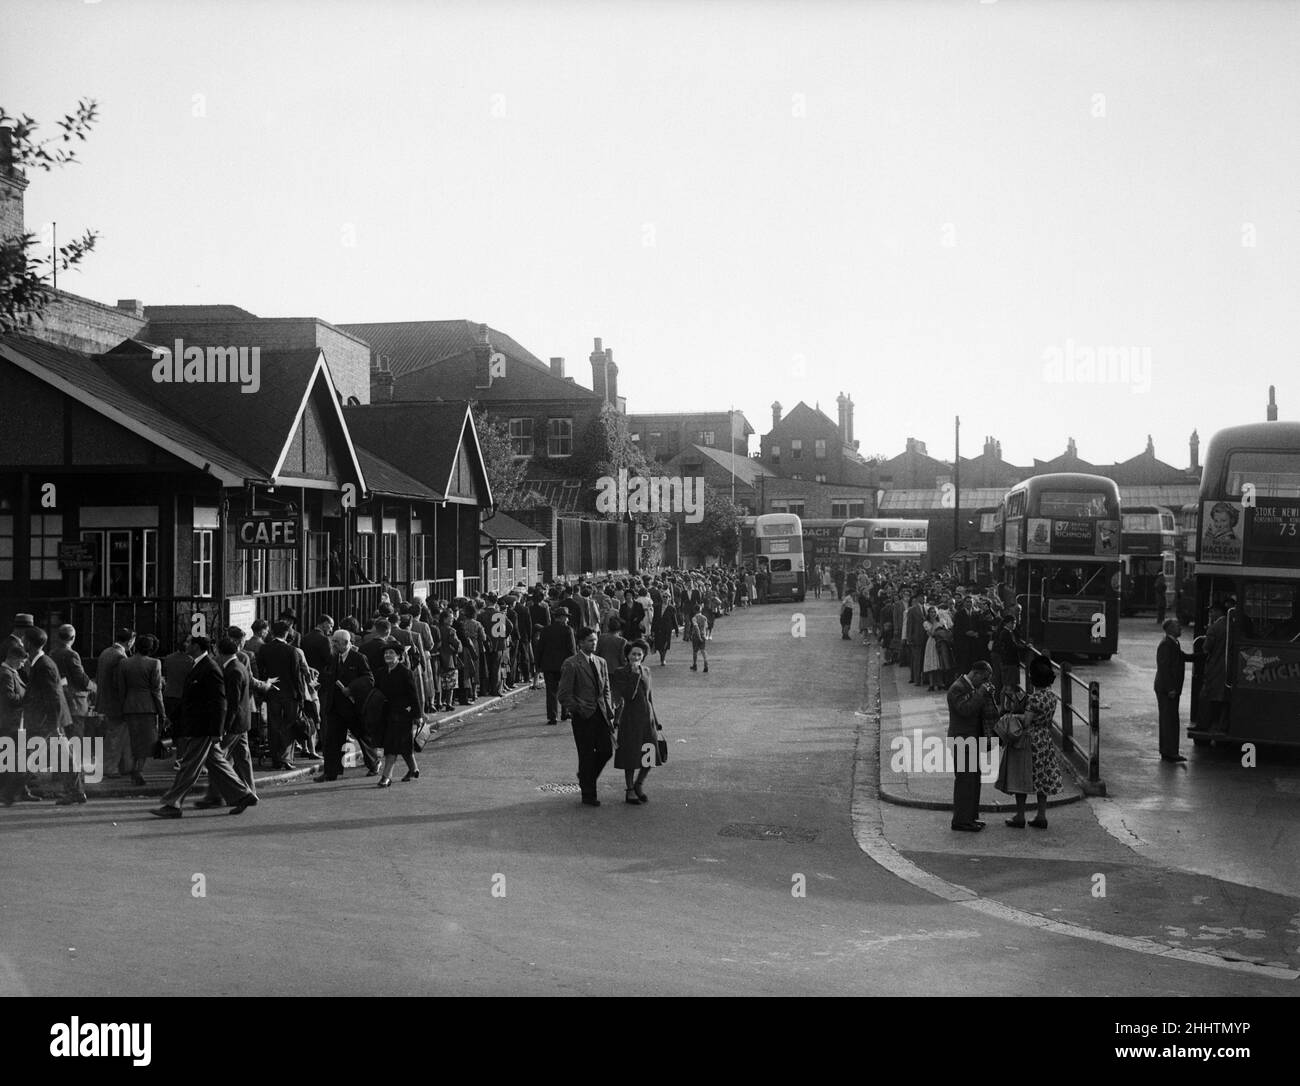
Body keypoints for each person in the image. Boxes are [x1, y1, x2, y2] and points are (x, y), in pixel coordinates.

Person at [149, 636, 258, 818]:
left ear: (197, 647)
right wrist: (173, 717)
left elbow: (220, 703)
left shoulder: (210, 668)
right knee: (216, 763)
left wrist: (217, 730)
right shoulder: (202, 665)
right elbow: (190, 698)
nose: (186, 645)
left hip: (204, 727)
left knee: (189, 766)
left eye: (190, 643)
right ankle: (242, 795)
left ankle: (173, 804)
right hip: (202, 726)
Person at [22, 628, 86, 805]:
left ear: (29, 643)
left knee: (59, 756)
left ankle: (76, 792)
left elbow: (54, 697)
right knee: (32, 754)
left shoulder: (44, 665)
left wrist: (54, 725)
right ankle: (76, 792)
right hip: (47, 720)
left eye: (24, 640)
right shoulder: (40, 663)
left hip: (49, 721)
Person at [558, 626, 616, 807]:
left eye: (595, 639)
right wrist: (579, 709)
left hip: (600, 714)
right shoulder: (572, 663)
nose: (594, 643)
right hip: (583, 717)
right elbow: (564, 694)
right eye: (590, 640)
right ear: (581, 643)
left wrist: (609, 711)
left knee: (606, 750)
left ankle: (585, 776)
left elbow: (606, 688)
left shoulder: (601, 662)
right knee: (586, 755)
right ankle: (589, 794)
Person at [1004, 656, 1061, 828]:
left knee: (1023, 776)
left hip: (1029, 739)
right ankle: (1041, 815)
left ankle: (1020, 815)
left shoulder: (1034, 699)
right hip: (1045, 738)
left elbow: (1027, 721)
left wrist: (1013, 715)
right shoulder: (1052, 697)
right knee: (1042, 777)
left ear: (1034, 678)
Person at [316, 629, 378, 781]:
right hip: (335, 706)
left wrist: (351, 688)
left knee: (362, 736)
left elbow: (368, 678)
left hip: (352, 706)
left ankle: (374, 764)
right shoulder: (333, 657)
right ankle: (331, 772)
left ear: (345, 643)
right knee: (332, 740)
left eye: (336, 642)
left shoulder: (358, 658)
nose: (333, 644)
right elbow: (329, 676)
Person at [946, 660, 996, 832]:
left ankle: (971, 817)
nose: (985, 683)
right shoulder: (957, 688)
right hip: (961, 741)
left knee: (974, 780)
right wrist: (981, 693)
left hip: (972, 741)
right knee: (965, 781)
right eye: (984, 679)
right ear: (975, 674)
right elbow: (965, 710)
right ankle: (961, 820)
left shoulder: (973, 688)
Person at [611, 640, 661, 805]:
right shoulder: (620, 672)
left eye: (640, 654)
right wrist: (633, 674)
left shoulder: (647, 670)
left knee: (650, 755)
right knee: (631, 756)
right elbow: (628, 695)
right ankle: (630, 789)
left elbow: (650, 697)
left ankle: (639, 784)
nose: (636, 657)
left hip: (647, 718)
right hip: (630, 719)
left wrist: (656, 720)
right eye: (633, 654)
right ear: (627, 655)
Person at [118, 634, 165, 789]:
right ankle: (138, 770)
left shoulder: (124, 663)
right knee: (146, 742)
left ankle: (132, 768)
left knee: (132, 739)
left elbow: (121, 688)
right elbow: (156, 690)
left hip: (130, 705)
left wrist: (123, 704)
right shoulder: (155, 663)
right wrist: (162, 712)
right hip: (148, 706)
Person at [375, 644, 422, 787]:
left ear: (399, 656)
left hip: (403, 713)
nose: (387, 655)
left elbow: (414, 695)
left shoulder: (405, 672)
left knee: (392, 746)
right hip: (388, 713)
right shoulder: (381, 672)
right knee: (404, 745)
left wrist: (418, 715)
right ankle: (414, 769)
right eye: (386, 653)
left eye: (391, 653)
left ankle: (386, 777)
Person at [95, 627, 135, 779]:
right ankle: (109, 767)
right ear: (129, 640)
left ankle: (124, 766)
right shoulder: (120, 657)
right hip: (115, 703)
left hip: (105, 700)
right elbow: (119, 683)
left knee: (116, 734)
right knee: (115, 736)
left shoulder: (106, 652)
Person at [1155, 618, 1194, 762]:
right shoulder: (1166, 644)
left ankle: (1170, 751)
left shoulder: (1173, 643)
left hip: (1171, 689)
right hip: (1167, 689)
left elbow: (1183, 657)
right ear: (1170, 629)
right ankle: (1169, 752)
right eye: (1177, 626)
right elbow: (1164, 668)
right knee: (1168, 720)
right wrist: (1170, 688)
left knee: (1171, 719)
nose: (1180, 628)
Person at [536, 607, 577, 725]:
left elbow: (540, 648)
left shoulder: (546, 630)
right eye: (567, 617)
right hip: (564, 665)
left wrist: (538, 665)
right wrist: (574, 663)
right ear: (563, 618)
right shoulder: (568, 630)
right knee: (565, 689)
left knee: (551, 692)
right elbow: (572, 649)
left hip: (548, 664)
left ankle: (552, 716)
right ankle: (565, 712)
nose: (568, 619)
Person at [1199, 603, 1229, 732]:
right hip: (1228, 666)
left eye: (1211, 612)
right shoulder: (1231, 624)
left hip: (1216, 666)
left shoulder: (1214, 627)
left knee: (1210, 695)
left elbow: (1206, 648)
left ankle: (1209, 724)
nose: (1210, 615)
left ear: (1217, 612)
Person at [651, 594, 679, 666]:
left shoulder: (672, 608)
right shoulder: (657, 607)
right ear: (662, 598)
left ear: (669, 598)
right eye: (664, 597)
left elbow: (674, 619)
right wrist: (652, 630)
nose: (665, 598)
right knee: (659, 644)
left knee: (666, 644)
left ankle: (663, 659)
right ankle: (661, 657)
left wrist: (676, 630)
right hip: (658, 628)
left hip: (667, 628)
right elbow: (654, 618)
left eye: (667, 597)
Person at [687, 606, 709, 673]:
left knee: (695, 651)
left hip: (696, 636)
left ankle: (695, 665)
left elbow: (696, 627)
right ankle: (706, 664)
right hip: (703, 635)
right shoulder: (704, 618)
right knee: (703, 651)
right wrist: (706, 636)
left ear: (694, 610)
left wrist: (699, 637)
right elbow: (707, 627)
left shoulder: (694, 618)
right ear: (700, 610)